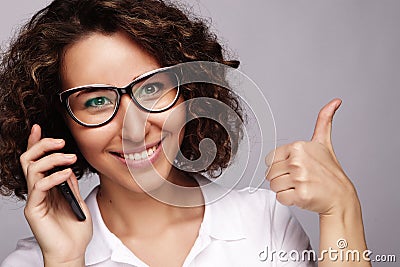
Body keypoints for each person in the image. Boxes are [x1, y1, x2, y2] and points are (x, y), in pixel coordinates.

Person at [0, 0, 370, 266]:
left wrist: (341, 209)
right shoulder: (39, 259)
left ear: (188, 92)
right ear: (61, 124)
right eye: (96, 102)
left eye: (149, 89)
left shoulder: (265, 222)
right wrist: (65, 260)